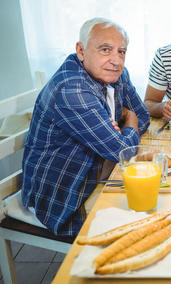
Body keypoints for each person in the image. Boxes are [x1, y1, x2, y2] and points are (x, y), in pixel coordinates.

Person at [21, 17, 150, 236]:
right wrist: (130, 121)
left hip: (97, 170)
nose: (116, 60)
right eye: (105, 49)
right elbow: (122, 151)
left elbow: (143, 116)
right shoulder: (72, 89)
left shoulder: (116, 73)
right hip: (63, 194)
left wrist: (124, 126)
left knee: (154, 192)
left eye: (121, 51)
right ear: (81, 51)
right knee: (142, 221)